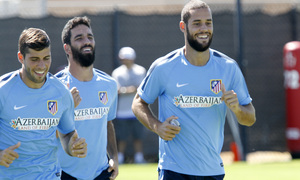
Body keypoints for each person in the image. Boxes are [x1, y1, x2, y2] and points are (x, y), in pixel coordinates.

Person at [131, 0, 256, 179]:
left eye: (208, 23)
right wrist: (157, 126)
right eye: (197, 23)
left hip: (212, 170)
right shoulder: (164, 67)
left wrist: (237, 108)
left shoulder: (228, 67)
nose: (204, 28)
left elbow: (250, 118)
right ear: (183, 26)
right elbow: (138, 102)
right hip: (173, 169)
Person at [0, 28, 87, 179]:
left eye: (46, 58)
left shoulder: (60, 92)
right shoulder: (3, 90)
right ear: (21, 57)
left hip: (49, 175)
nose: (42, 66)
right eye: (34, 59)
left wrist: (73, 147)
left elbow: (67, 133)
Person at [55, 16, 119, 180]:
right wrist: (66, 109)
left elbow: (108, 123)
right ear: (67, 48)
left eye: (90, 37)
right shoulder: (55, 87)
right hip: (65, 174)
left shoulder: (109, 84)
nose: (87, 41)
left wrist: (114, 157)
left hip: (101, 174)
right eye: (79, 38)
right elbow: (42, 133)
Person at [112, 47, 146, 164]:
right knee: (122, 137)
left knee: (138, 136)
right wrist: (131, 89)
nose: (125, 60)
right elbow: (117, 90)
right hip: (122, 111)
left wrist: (125, 90)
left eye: (127, 58)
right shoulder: (117, 72)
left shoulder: (141, 71)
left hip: (137, 111)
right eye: (123, 58)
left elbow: (140, 88)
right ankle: (119, 158)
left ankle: (139, 158)